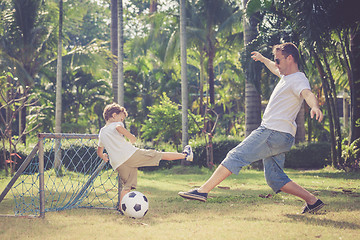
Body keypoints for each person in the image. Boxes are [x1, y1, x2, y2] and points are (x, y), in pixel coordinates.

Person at [178, 42, 325, 214]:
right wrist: (263, 60)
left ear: (290, 58)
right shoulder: (287, 77)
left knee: (236, 155)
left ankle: (202, 191)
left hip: (272, 132)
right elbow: (273, 68)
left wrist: (315, 106)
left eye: (278, 60)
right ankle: (313, 201)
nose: (276, 64)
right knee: (274, 178)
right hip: (282, 136)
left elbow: (307, 93)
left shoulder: (298, 79)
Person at [97, 103, 193, 212]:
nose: (122, 121)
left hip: (118, 164)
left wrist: (103, 156)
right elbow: (119, 128)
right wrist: (131, 136)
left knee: (127, 186)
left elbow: (99, 150)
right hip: (130, 155)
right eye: (122, 118)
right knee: (158, 155)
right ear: (114, 115)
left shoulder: (102, 132)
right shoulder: (116, 124)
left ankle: (121, 209)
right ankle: (185, 155)